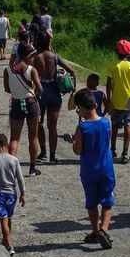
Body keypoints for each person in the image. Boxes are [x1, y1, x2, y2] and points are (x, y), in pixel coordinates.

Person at [71, 89, 115, 249]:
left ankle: (96, 231)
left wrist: (73, 141)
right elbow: (107, 142)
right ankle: (104, 229)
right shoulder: (106, 122)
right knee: (107, 200)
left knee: (91, 202)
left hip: (89, 170)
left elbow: (78, 150)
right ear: (96, 105)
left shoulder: (82, 127)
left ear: (81, 109)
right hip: (106, 169)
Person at [32, 29, 76, 166]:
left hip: (40, 92)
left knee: (39, 122)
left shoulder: (35, 58)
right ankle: (52, 156)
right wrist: (74, 89)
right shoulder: (55, 57)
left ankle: (43, 151)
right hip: (54, 91)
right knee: (53, 126)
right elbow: (72, 71)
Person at [4, 42, 42, 174]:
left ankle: (11, 169)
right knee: (33, 137)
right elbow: (40, 89)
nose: (32, 59)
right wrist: (34, 92)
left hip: (16, 104)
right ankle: (32, 168)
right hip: (31, 103)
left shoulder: (8, 70)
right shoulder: (32, 70)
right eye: (32, 56)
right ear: (27, 56)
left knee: (14, 137)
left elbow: (7, 89)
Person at [107, 40, 130, 164]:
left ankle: (112, 150)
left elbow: (108, 84)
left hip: (115, 101)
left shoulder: (113, 66)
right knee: (129, 126)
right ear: (129, 52)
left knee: (115, 127)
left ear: (117, 52)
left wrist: (108, 101)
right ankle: (125, 153)